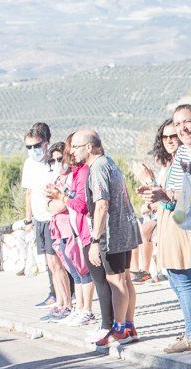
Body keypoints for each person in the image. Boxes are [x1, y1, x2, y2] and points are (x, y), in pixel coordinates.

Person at [72, 130, 142, 347]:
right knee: (125, 279)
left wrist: (95, 241)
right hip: (125, 229)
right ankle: (129, 326)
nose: (72, 151)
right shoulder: (109, 162)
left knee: (116, 281)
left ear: (89, 148)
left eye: (75, 146)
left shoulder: (98, 167)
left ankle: (120, 329)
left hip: (111, 234)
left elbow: (102, 205)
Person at [140, 105, 191, 352]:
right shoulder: (177, 160)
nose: (180, 132)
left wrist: (160, 191)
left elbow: (182, 199)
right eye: (172, 131)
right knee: (178, 281)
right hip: (174, 225)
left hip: (183, 228)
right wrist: (157, 194)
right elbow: (175, 199)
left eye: (185, 124)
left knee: (182, 282)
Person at [45, 137, 95, 326]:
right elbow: (50, 205)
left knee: (83, 271)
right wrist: (55, 202)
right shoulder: (60, 179)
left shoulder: (77, 175)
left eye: (60, 158)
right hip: (63, 231)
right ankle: (79, 308)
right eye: (54, 160)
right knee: (75, 273)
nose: (58, 163)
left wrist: (59, 200)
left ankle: (86, 310)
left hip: (74, 230)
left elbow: (67, 204)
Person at [22, 124, 70, 310]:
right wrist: (28, 219)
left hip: (53, 218)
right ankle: (60, 301)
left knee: (58, 263)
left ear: (46, 143)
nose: (33, 150)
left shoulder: (53, 162)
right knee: (50, 263)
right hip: (39, 219)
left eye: (36, 145)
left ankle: (66, 302)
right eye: (29, 147)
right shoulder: (29, 164)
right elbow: (29, 192)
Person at [133, 118, 182, 284]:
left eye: (173, 136)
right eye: (165, 137)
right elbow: (164, 197)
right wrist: (149, 195)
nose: (168, 140)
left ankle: (145, 270)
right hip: (168, 225)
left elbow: (172, 198)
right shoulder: (168, 168)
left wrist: (150, 182)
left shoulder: (181, 165)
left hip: (179, 228)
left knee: (182, 285)